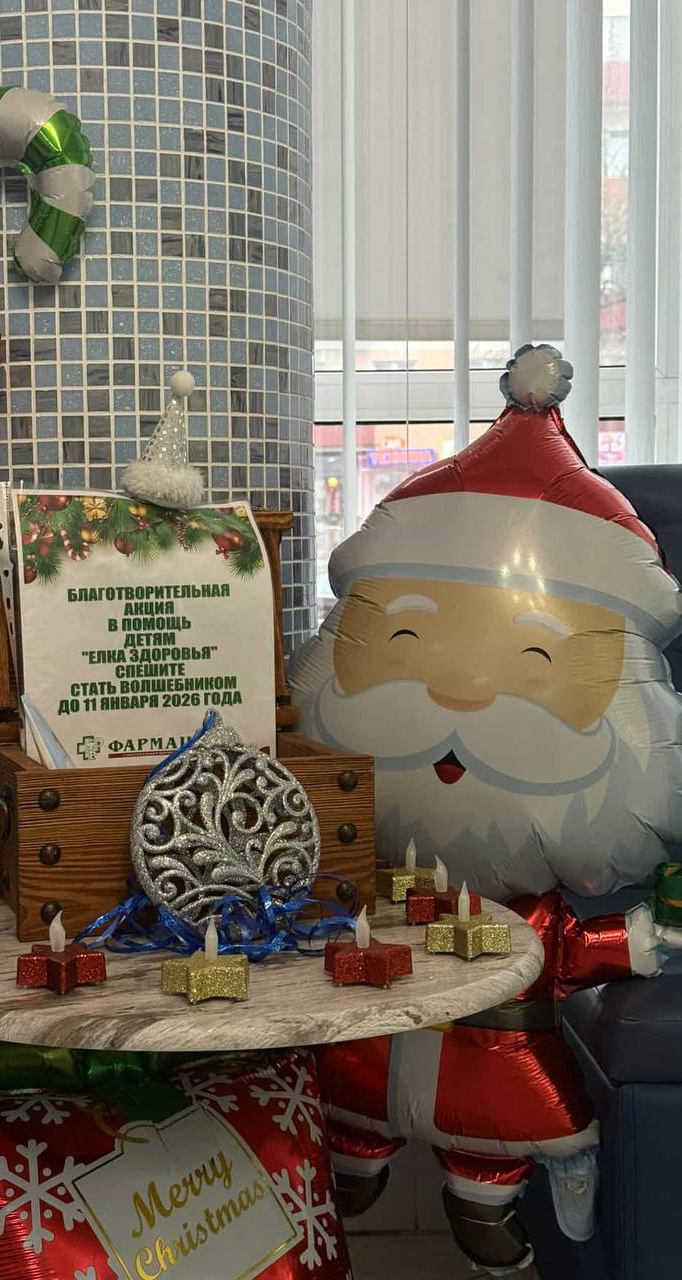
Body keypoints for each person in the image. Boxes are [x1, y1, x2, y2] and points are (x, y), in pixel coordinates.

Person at [290, 345, 682, 1273]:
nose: (459, 693)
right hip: (365, 1051)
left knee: (494, 1144)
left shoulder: (531, 912)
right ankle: (351, 1167)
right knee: (351, 1116)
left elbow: (573, 949)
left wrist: (642, 935)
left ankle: (482, 1198)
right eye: (407, 640)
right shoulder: (360, 877)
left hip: (496, 1055)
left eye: (535, 662)